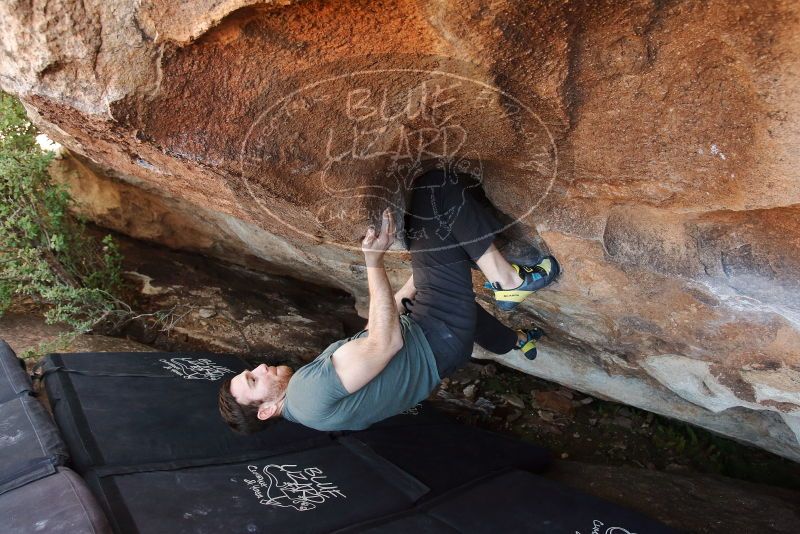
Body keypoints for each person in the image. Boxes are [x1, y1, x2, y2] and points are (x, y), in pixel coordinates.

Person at [218, 169, 559, 434]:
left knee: (422, 238)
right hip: (437, 334)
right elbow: (385, 342)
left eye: (250, 371)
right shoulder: (307, 393)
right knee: (434, 190)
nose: (260, 368)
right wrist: (373, 261)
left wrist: (413, 282)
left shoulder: (309, 411)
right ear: (264, 410)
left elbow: (369, 342)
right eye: (253, 381)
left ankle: (515, 341)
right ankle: (509, 281)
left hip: (437, 346)